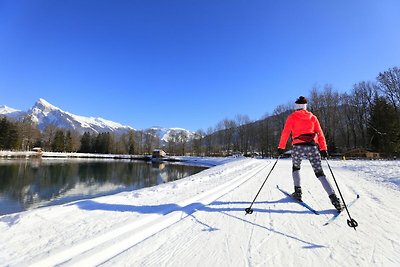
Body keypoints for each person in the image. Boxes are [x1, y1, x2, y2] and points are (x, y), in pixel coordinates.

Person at [277, 96, 343, 211]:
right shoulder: (313, 117)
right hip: (312, 147)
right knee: (320, 173)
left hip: (298, 147)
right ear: (305, 107)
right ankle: (335, 200)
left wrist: (281, 147)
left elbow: (285, 132)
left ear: (296, 106)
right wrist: (323, 148)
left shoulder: (292, 117)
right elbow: (320, 133)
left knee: (296, 168)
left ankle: (298, 191)